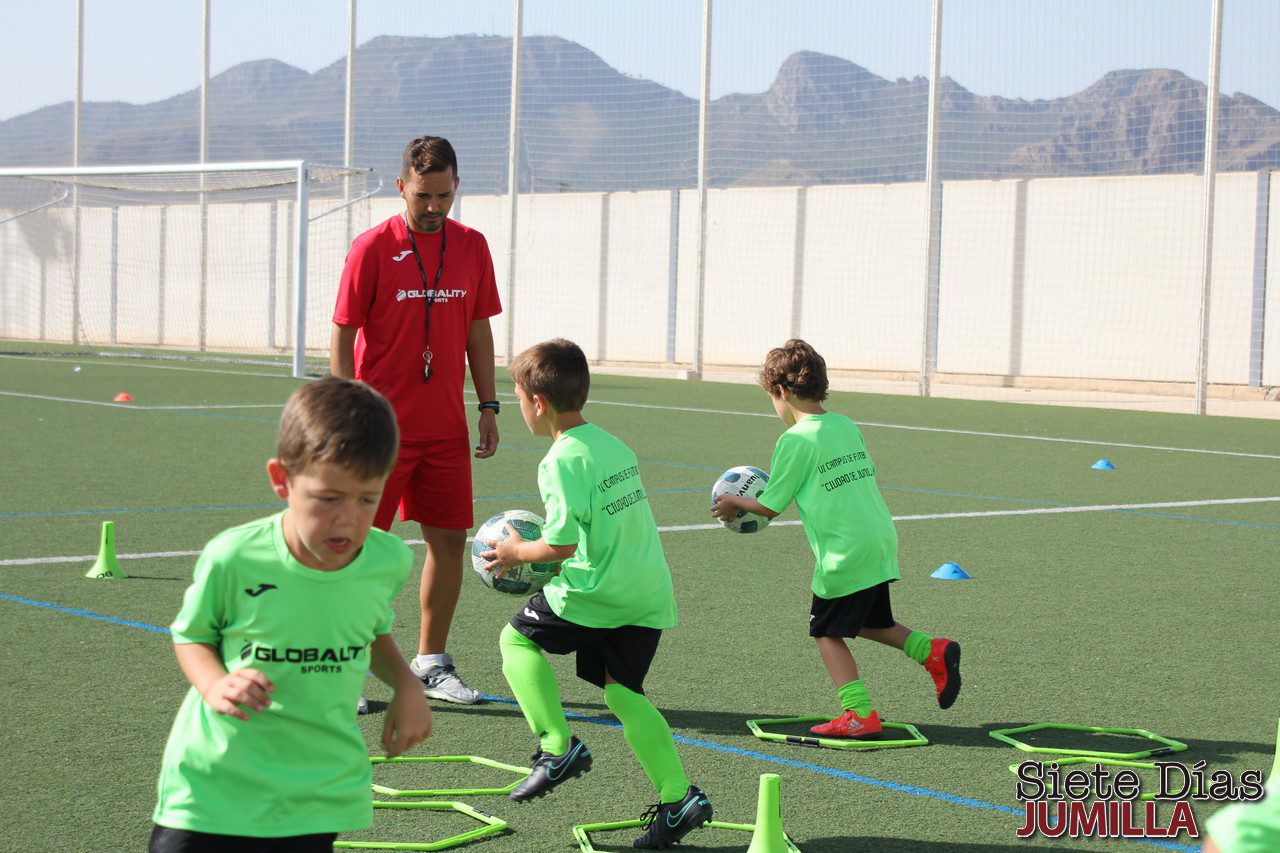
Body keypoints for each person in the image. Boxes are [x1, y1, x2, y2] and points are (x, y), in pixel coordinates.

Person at [150, 377, 432, 852]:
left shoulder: (388, 560)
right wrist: (215, 683)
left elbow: (370, 631)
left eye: (368, 498)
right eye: (328, 498)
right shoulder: (235, 556)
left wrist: (406, 685)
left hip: (315, 791)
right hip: (213, 786)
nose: (348, 517)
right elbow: (192, 636)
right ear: (282, 480)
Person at [480, 338, 714, 849]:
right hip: (647, 590)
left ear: (536, 402)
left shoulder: (560, 459)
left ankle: (556, 747)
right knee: (622, 690)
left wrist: (515, 553)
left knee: (515, 641)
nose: (520, 406)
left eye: (517, 397)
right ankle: (680, 799)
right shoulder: (613, 444)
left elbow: (560, 546)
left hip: (596, 592)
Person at [711, 339, 961, 737]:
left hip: (843, 551)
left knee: (826, 631)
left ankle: (859, 713)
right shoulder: (844, 424)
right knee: (866, 621)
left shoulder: (794, 440)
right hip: (878, 538)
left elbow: (771, 505)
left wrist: (733, 502)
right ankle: (932, 651)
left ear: (782, 391)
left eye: (771, 399)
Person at [332, 135, 502, 705]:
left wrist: (487, 404)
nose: (433, 208)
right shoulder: (372, 247)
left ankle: (432, 663)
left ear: (457, 188)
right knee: (360, 547)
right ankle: (346, 667)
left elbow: (479, 328)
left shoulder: (473, 246)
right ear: (401, 186)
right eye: (423, 196)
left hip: (445, 429)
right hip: (378, 431)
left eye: (445, 196)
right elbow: (343, 329)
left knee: (449, 542)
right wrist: (344, 407)